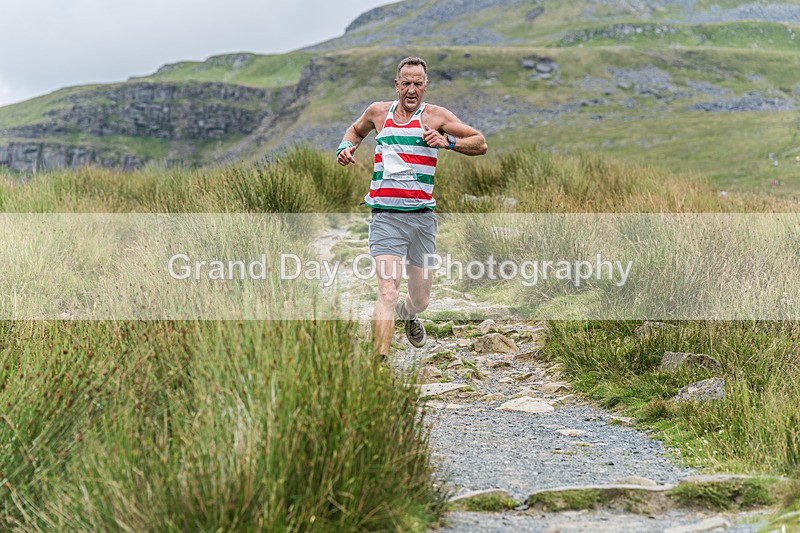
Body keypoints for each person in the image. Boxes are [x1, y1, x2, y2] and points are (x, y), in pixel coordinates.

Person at [336, 56, 488, 360]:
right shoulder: (378, 113)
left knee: (420, 300)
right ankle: (379, 362)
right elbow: (355, 130)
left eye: (417, 84)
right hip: (386, 217)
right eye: (406, 83)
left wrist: (447, 143)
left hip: (421, 220)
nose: (411, 90)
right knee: (387, 290)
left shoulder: (436, 117)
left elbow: (480, 143)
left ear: (425, 86)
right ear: (396, 85)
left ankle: (408, 313)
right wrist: (345, 147)